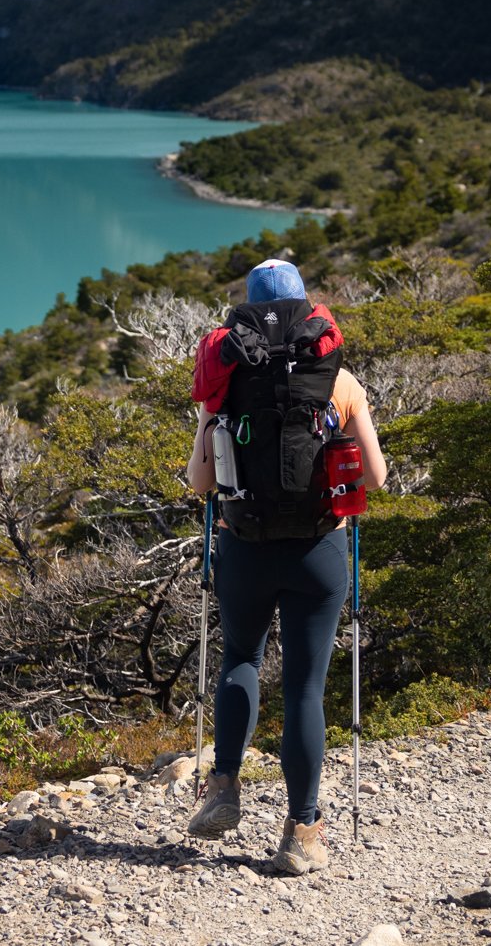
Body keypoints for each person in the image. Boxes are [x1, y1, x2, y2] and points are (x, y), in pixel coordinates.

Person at [182, 257, 389, 877]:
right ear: (306, 312)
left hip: (244, 544)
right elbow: (375, 477)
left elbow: (200, 482)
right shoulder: (341, 381)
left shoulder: (223, 383)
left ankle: (223, 785)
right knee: (304, 685)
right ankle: (302, 830)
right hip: (320, 549)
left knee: (241, 658)